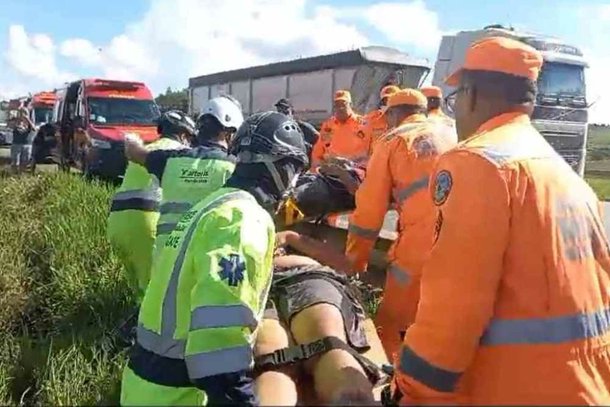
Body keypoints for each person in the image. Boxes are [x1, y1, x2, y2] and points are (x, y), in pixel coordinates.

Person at [390, 37, 610, 405]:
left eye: (456, 99)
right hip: (586, 386)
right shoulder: (564, 174)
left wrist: (414, 389)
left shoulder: (477, 163)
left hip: (516, 387)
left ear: (471, 94)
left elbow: (454, 303)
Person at [120, 111, 310, 406]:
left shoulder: (209, 205)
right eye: (295, 170)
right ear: (282, 168)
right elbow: (217, 353)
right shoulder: (243, 220)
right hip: (179, 396)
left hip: (146, 387)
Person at [345, 89, 456, 360]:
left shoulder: (394, 140)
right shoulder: (450, 133)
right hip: (460, 240)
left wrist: (355, 261)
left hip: (418, 247)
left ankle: (395, 383)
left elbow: (369, 213)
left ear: (395, 114)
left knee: (392, 325)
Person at [254, 230, 386, 405]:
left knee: (325, 341)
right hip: (265, 285)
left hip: (302, 276)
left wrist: (290, 237)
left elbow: (345, 264)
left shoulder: (286, 241)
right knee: (272, 355)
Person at [124, 96, 243, 260]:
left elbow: (135, 153)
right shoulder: (234, 167)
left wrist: (130, 139)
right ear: (229, 134)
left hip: (165, 259)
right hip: (203, 260)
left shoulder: (170, 160)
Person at [107, 111, 191, 300]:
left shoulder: (146, 151)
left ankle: (135, 326)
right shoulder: (180, 153)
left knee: (139, 291)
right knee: (157, 291)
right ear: (184, 135)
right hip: (146, 225)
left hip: (117, 224)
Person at [310, 90, 367, 170]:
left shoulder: (363, 124)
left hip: (356, 171)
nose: (340, 108)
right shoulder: (328, 126)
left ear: (351, 105)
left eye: (343, 104)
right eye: (337, 105)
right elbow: (318, 153)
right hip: (331, 172)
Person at [360, 85, 400, 155]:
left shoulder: (405, 122)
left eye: (391, 100)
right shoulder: (372, 118)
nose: (388, 104)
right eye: (385, 101)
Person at [10, 107, 35, 174]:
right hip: (16, 144)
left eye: (25, 113)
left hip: (27, 144)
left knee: (25, 161)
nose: (23, 115)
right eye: (21, 113)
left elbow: (34, 129)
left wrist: (27, 119)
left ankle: (22, 174)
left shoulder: (30, 122)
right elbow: (10, 125)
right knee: (15, 162)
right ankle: (14, 174)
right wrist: (17, 121)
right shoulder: (15, 120)